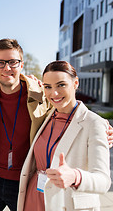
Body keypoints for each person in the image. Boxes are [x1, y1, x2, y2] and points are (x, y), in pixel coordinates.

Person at [0, 38, 50, 211]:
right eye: (1, 63)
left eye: (13, 62)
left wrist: (102, 126)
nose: (7, 68)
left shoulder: (41, 94)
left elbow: (68, 104)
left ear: (21, 64)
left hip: (25, 181)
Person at [17, 60, 111, 210]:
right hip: (33, 198)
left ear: (75, 83)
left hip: (66, 202)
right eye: (47, 87)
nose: (54, 93)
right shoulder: (46, 116)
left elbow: (104, 181)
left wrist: (75, 176)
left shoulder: (94, 123)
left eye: (61, 85)